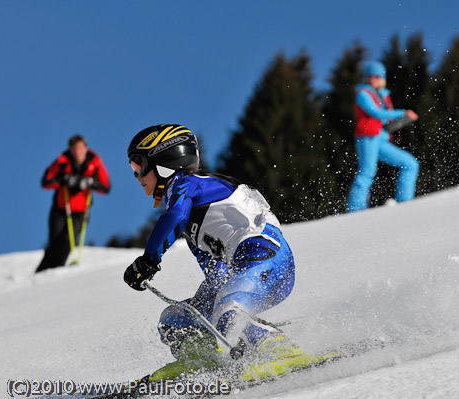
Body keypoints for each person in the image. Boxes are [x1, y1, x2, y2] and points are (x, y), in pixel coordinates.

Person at [123, 124, 320, 382]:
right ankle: (206, 361)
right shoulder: (194, 222)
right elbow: (216, 273)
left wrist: (148, 261)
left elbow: (174, 216)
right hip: (248, 271)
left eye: (138, 165)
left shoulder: (187, 185)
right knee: (175, 321)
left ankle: (281, 350)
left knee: (229, 310)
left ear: (163, 161)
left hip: (269, 260)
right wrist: (205, 309)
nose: (137, 176)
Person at [347, 60, 420, 212]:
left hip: (381, 139)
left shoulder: (383, 96)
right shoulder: (362, 94)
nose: (373, 78)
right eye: (370, 75)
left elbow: (386, 119)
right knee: (367, 172)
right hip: (367, 137)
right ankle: (354, 210)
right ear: (366, 77)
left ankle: (405, 203)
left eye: (377, 76)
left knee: (410, 164)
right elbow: (376, 113)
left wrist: (399, 120)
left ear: (382, 78)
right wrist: (403, 113)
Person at [36, 135, 111, 272]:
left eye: (81, 148)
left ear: (86, 148)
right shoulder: (62, 162)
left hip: (81, 211)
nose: (79, 151)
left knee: (67, 240)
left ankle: (56, 270)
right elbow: (45, 181)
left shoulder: (95, 163)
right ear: (71, 150)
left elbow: (106, 187)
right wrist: (63, 180)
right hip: (60, 207)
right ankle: (42, 271)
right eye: (75, 149)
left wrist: (91, 182)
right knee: (54, 241)